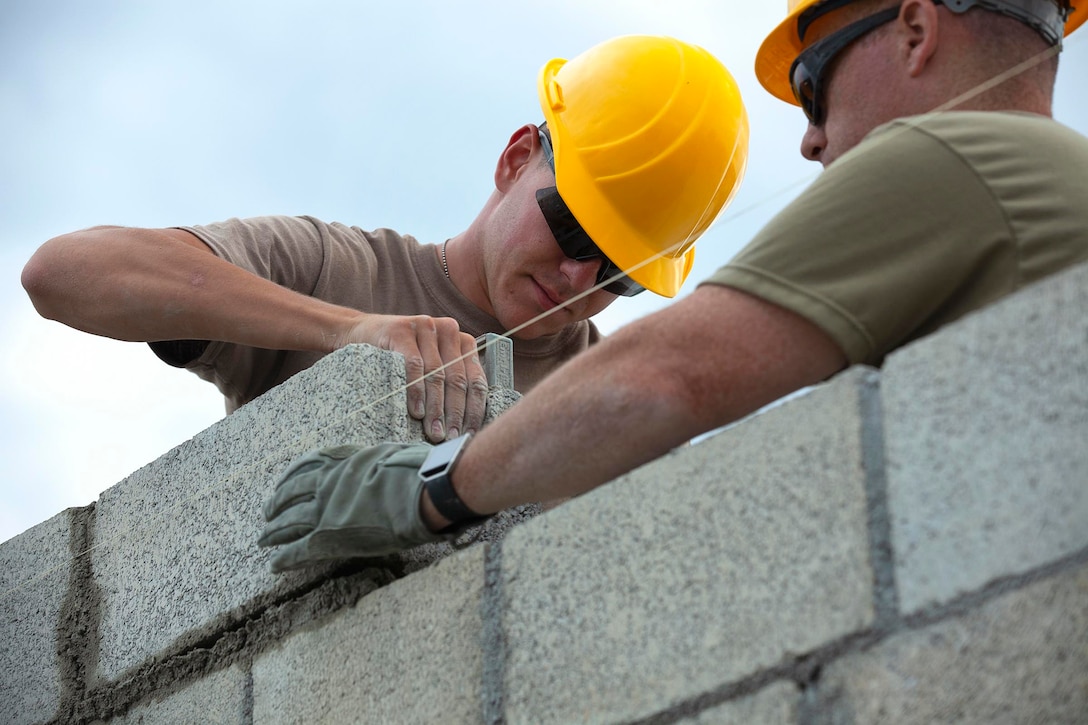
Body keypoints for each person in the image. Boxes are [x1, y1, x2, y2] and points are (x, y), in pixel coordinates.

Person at [257, 0, 1088, 572]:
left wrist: (425, 487)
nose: (809, 139)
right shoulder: (1046, 181)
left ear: (914, 27)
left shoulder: (950, 159)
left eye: (812, 84)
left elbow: (665, 378)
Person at [20, 35, 749, 445]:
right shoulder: (337, 271)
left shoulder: (616, 398)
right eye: (570, 226)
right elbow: (61, 273)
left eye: (617, 275)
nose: (575, 277)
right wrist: (352, 331)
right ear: (515, 158)